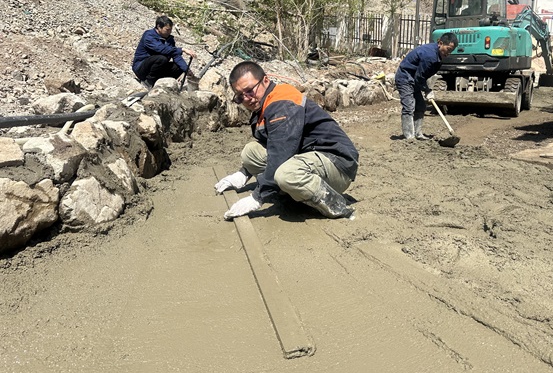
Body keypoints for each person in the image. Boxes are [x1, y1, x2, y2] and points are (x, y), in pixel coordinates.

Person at [215, 61, 359, 220]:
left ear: (265, 80)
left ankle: (336, 205)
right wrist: (243, 174)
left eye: (249, 90)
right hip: (307, 155)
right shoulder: (263, 103)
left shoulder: (282, 103)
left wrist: (257, 197)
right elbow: (271, 145)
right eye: (240, 96)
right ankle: (293, 191)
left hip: (337, 163)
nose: (247, 98)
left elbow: (280, 155)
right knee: (251, 152)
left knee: (287, 174)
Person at [394, 33, 458, 140]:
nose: (449, 53)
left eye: (451, 50)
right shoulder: (430, 55)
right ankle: (409, 137)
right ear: (440, 43)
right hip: (405, 78)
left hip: (414, 78)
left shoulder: (437, 55)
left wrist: (426, 88)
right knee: (409, 106)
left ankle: (418, 134)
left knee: (420, 106)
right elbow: (420, 77)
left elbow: (421, 76)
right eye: (448, 49)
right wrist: (427, 90)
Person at [132, 15, 196, 89]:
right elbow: (162, 49)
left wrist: (187, 70)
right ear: (159, 27)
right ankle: (148, 82)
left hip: (158, 69)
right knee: (162, 59)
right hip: (141, 68)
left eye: (170, 30)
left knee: (178, 67)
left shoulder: (169, 40)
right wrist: (182, 49)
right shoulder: (149, 36)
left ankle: (163, 84)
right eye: (167, 30)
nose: (169, 32)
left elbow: (175, 55)